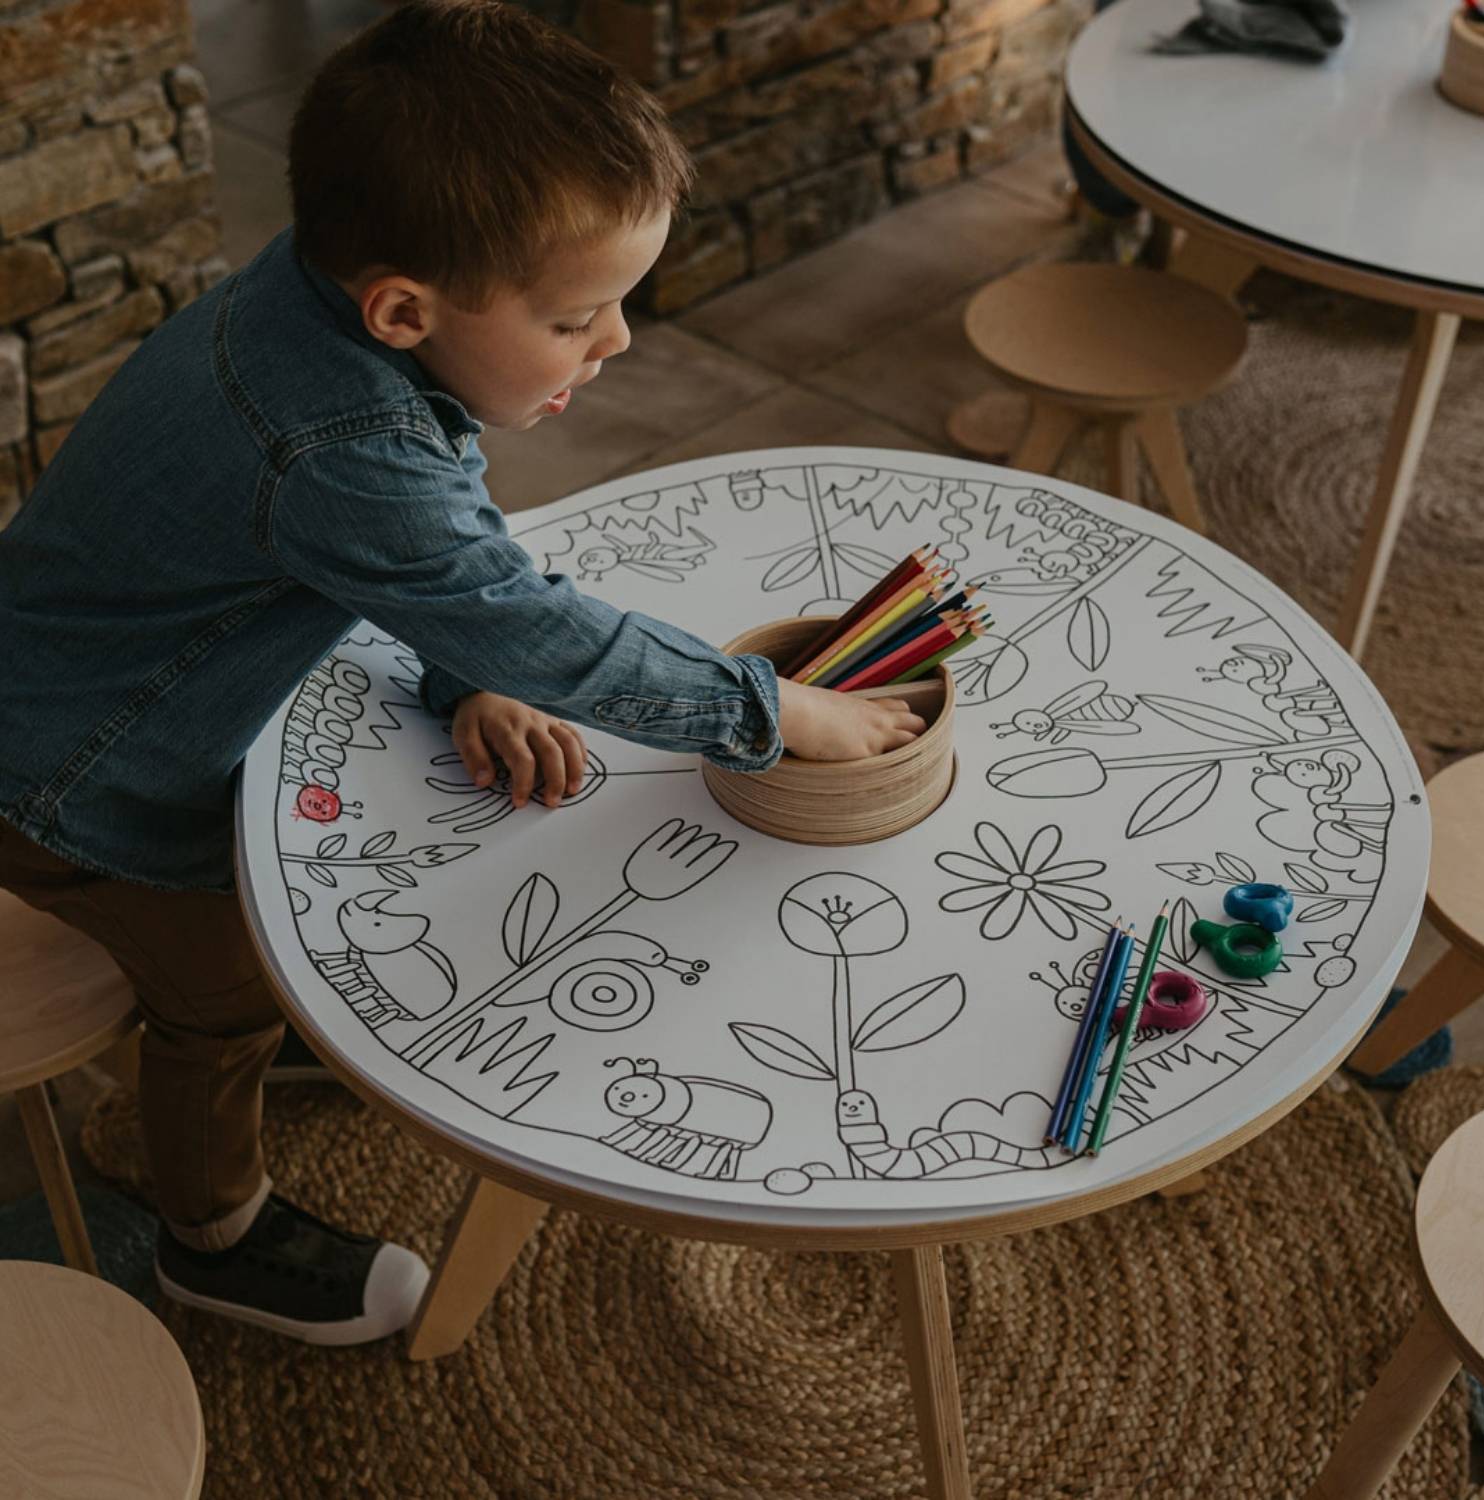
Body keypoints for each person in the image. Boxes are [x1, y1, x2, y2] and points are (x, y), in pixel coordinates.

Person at [0, 0, 925, 1346]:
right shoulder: (337, 443)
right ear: (402, 307)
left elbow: (426, 562)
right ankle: (212, 1235)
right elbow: (525, 615)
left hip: (92, 675)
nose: (616, 344)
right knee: (225, 990)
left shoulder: (310, 307)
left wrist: (464, 664)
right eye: (575, 316)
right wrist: (771, 711)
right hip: (78, 783)